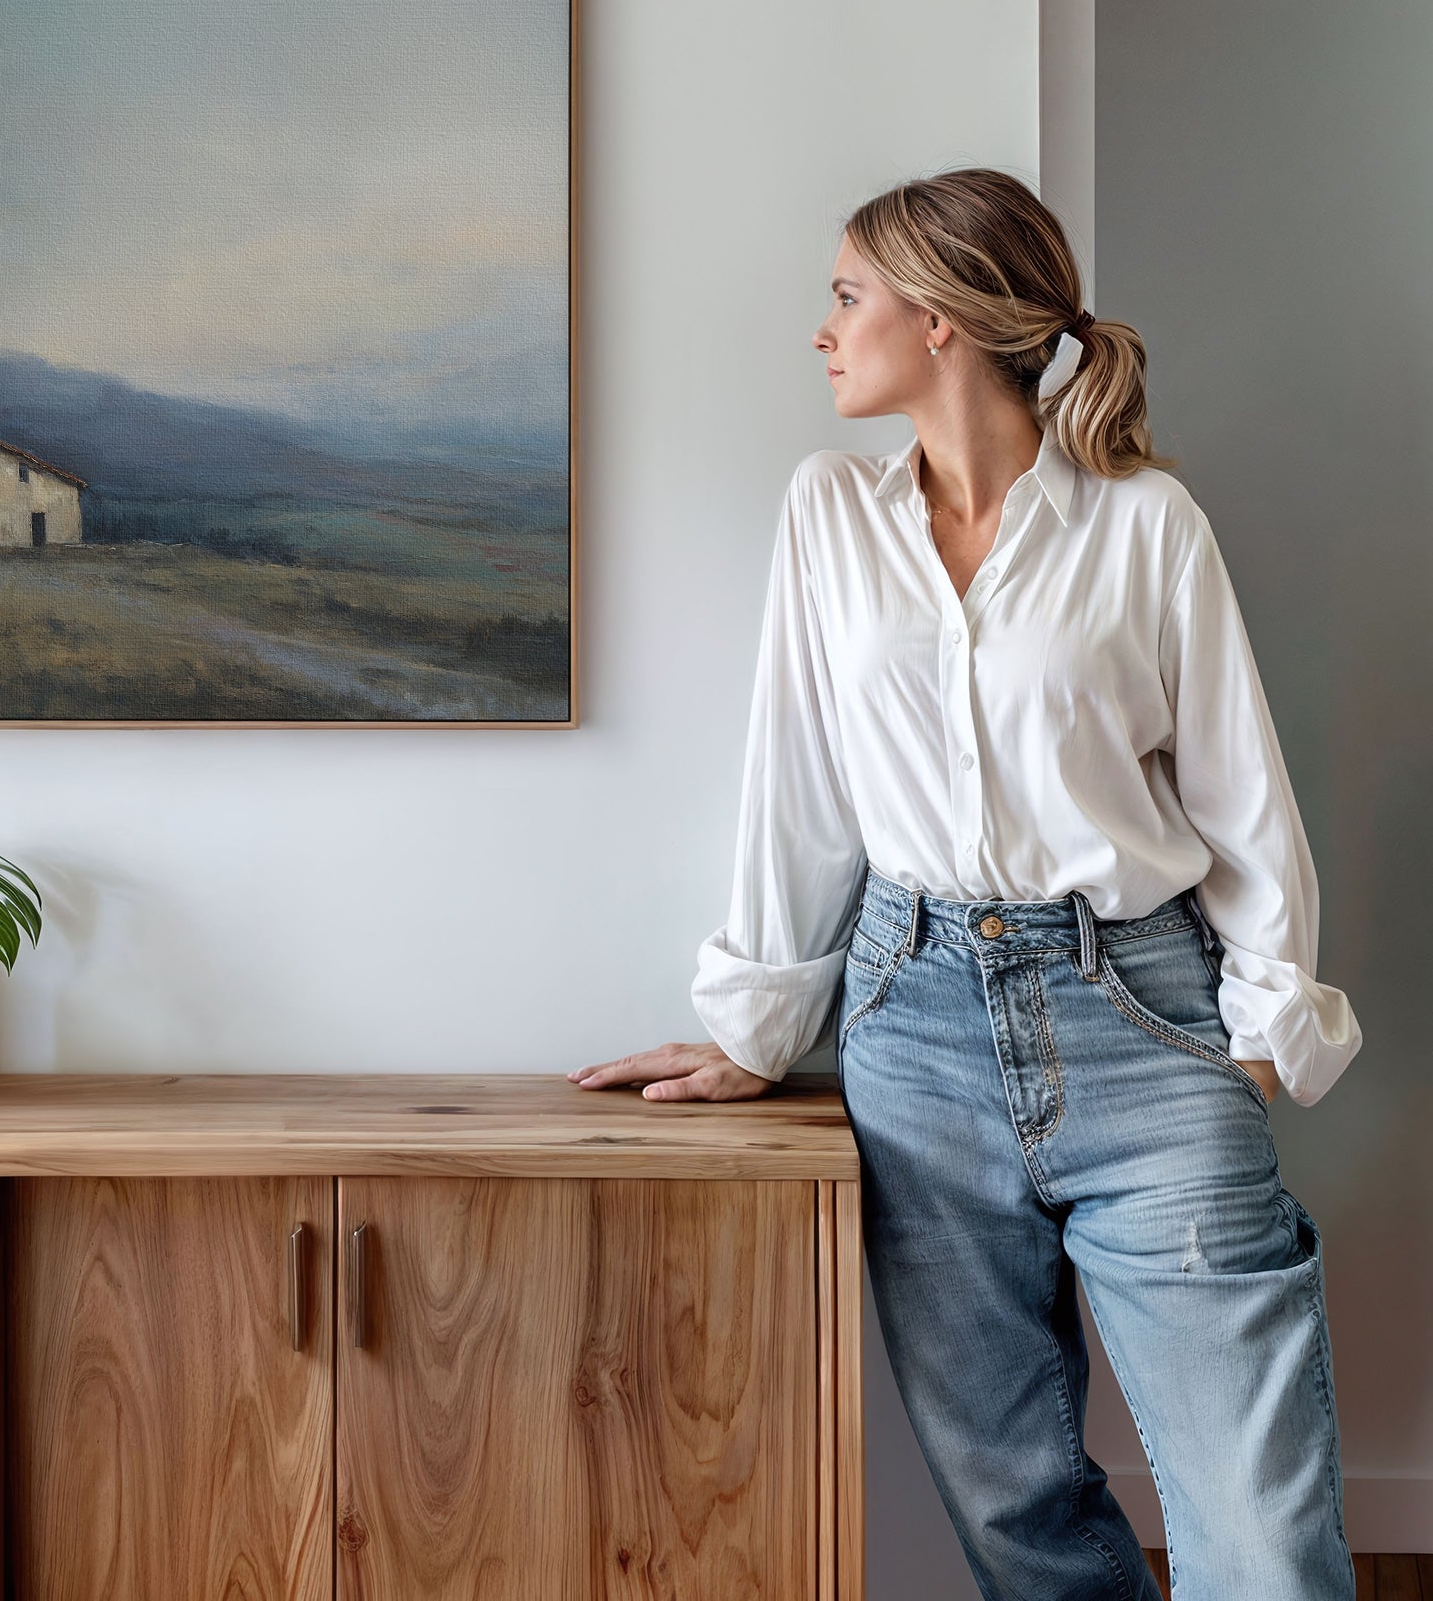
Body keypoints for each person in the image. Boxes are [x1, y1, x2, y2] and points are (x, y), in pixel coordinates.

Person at [570, 169, 1362, 1600]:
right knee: (1017, 1513)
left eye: (846, 295)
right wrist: (760, 1026)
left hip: (1143, 1013)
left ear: (939, 321)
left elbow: (1244, 797)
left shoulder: (1145, 525)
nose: (823, 330)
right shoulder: (829, 517)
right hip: (912, 1025)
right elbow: (796, 786)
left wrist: (1258, 1032)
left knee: (1260, 1530)